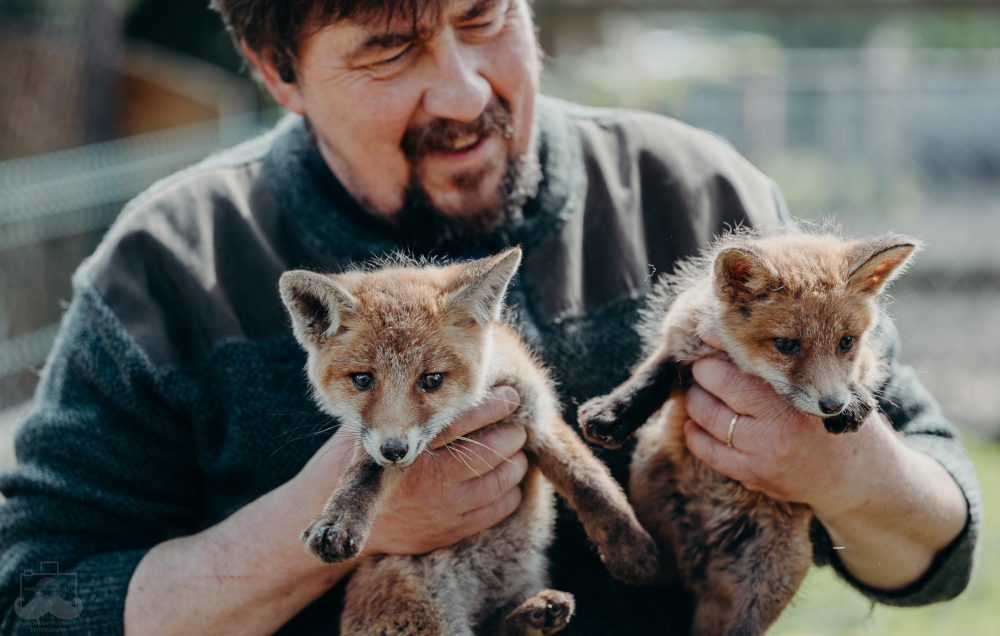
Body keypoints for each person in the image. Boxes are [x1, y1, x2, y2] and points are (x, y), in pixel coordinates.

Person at [0, 0, 979, 634]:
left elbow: (938, 550)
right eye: (390, 47)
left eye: (483, 15)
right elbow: (37, 602)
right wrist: (314, 529)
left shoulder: (693, 193)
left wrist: (845, 471)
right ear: (276, 70)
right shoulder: (172, 266)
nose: (466, 90)